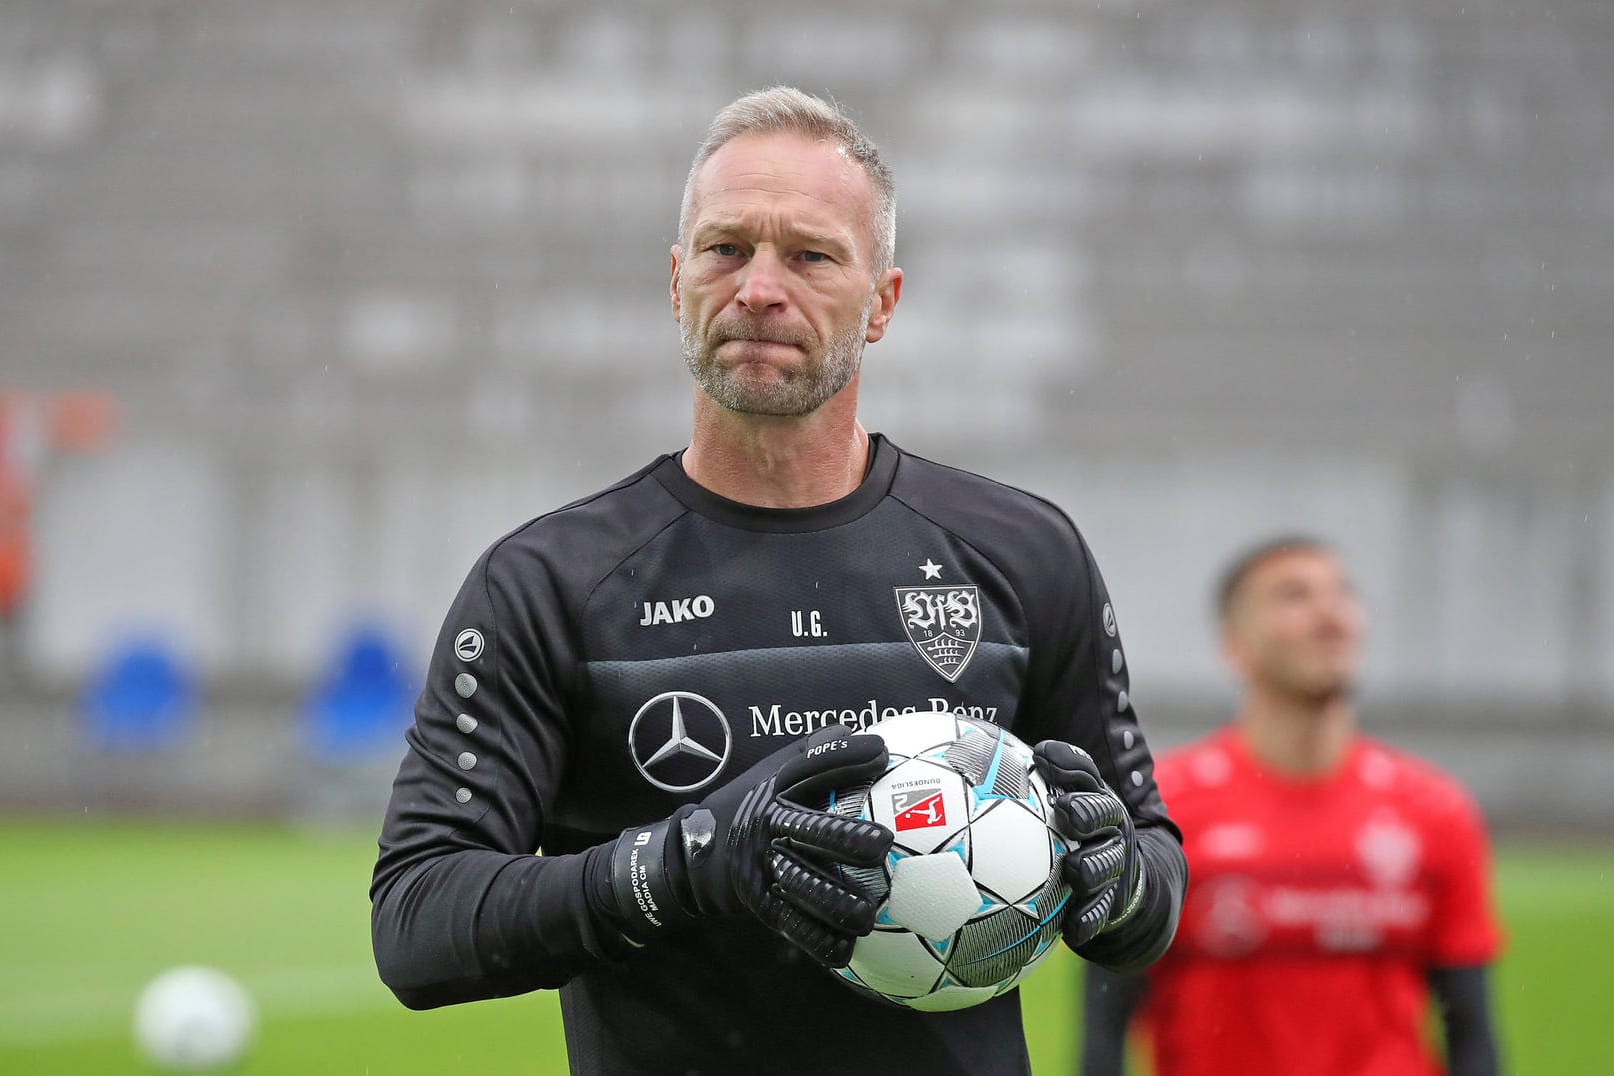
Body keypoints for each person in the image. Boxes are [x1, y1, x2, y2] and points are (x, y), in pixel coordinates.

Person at [371, 86, 1185, 1076]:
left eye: (808, 254)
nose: (758, 287)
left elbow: (1145, 867)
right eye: (726, 249)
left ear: (882, 301)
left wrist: (1128, 884)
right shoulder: (549, 582)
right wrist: (687, 862)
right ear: (677, 282)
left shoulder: (1023, 552)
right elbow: (417, 919)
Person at [1082, 537, 1503, 1076]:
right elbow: (1103, 1029)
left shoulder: (1436, 810)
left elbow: (1471, 1031)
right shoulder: (1160, 809)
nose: (1331, 615)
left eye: (1342, 594)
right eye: (1293, 596)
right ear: (1235, 645)